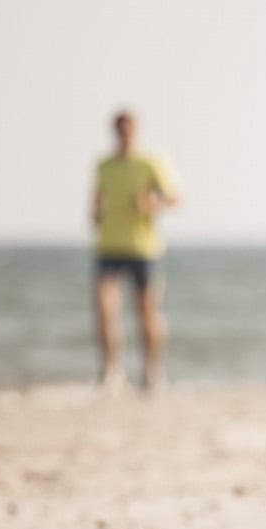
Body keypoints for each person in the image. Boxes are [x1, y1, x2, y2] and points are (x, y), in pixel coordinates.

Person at [91, 109, 180, 392]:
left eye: (129, 129)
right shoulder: (104, 165)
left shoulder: (150, 162)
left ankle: (153, 372)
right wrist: (96, 214)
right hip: (109, 245)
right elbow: (96, 200)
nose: (125, 135)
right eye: (120, 129)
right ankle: (110, 371)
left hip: (143, 248)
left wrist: (150, 203)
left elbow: (173, 198)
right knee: (105, 308)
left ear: (136, 131)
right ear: (114, 131)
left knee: (147, 312)